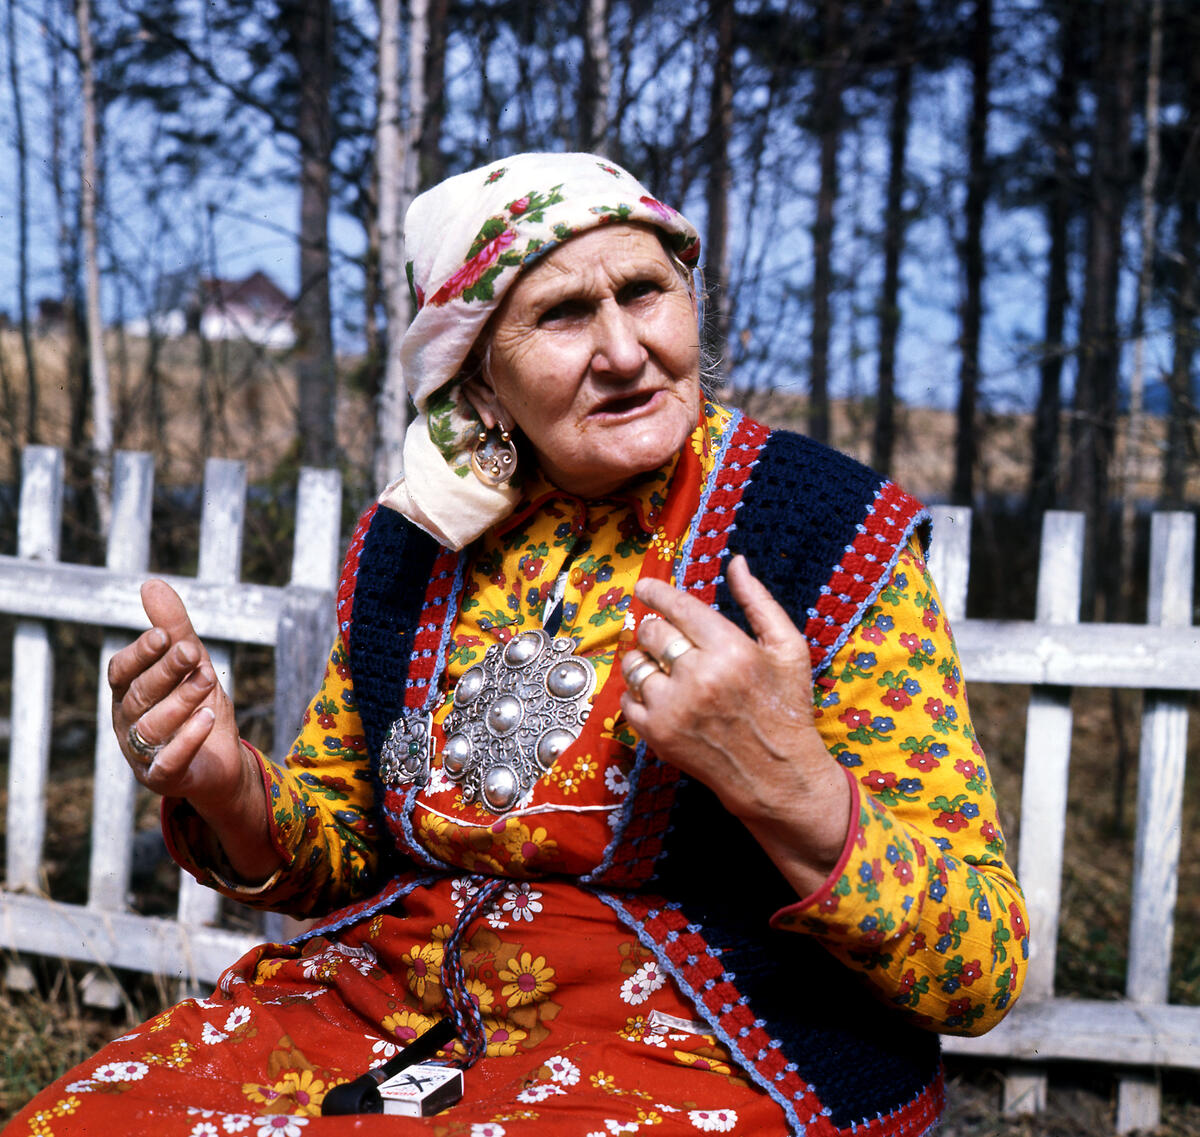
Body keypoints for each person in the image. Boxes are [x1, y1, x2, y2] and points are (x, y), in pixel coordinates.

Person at [14, 152, 1027, 1137]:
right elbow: (347, 860)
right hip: (392, 1009)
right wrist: (227, 782)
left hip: (702, 1041)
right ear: (479, 378)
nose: (625, 350)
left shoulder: (818, 531)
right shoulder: (412, 545)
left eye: (645, 291)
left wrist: (785, 779)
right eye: (563, 315)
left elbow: (978, 966)